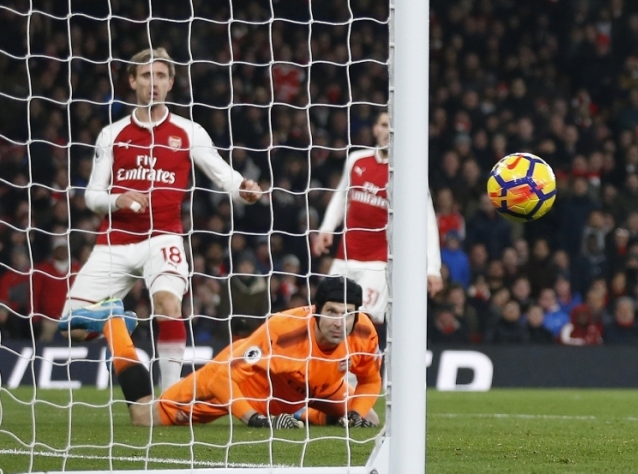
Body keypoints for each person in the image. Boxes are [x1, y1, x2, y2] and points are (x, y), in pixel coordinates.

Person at [69, 47, 264, 390]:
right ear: (132, 81)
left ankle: (170, 393)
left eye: (160, 76)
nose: (153, 83)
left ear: (171, 82)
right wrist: (119, 199)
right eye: (146, 76)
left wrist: (243, 190)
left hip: (163, 237)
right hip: (115, 240)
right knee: (75, 328)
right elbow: (92, 197)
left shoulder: (189, 132)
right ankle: (117, 319)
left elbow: (224, 176)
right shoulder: (112, 134)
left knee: (168, 303)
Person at [62, 276, 381, 429]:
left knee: (369, 415)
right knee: (144, 417)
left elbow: (369, 380)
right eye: (332, 311)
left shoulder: (364, 330)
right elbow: (223, 376)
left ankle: (299, 412)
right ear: (315, 312)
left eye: (348, 313)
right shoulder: (282, 331)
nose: (340, 322)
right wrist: (253, 417)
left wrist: (357, 409)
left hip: (308, 391)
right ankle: (114, 323)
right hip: (237, 387)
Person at [314, 111, 444, 328]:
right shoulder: (356, 159)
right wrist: (326, 228)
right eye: (384, 125)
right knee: (327, 319)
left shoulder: (409, 173)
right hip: (345, 255)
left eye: (393, 127)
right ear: (375, 129)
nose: (388, 131)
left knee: (363, 323)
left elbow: (427, 221)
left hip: (378, 262)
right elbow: (341, 195)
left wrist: (432, 268)